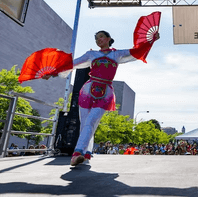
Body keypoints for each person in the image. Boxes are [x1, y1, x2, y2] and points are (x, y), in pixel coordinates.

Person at [44, 30, 159, 166]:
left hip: (105, 92)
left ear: (108, 39)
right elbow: (72, 64)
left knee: (91, 121)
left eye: (101, 37)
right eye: (96, 38)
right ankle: (86, 154)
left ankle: (77, 153)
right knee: (86, 123)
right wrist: (52, 73)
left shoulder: (117, 54)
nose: (98, 40)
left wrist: (151, 41)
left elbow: (136, 51)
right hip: (88, 90)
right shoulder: (91, 54)